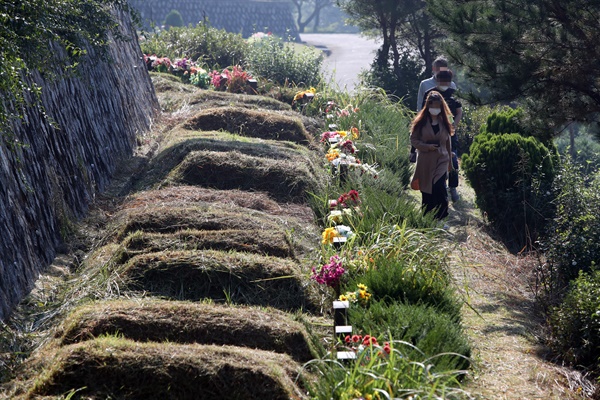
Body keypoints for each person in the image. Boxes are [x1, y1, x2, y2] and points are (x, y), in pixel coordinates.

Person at [410, 91, 454, 222]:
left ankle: (442, 217)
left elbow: (448, 143)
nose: (435, 109)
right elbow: (414, 140)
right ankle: (428, 217)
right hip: (426, 160)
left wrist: (450, 163)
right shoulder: (421, 121)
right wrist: (427, 147)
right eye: (432, 106)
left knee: (439, 187)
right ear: (428, 106)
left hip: (442, 158)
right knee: (427, 189)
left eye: (437, 106)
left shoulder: (446, 120)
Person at [422, 69, 462, 202]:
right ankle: (440, 186)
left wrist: (453, 125)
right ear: (437, 80)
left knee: (453, 160)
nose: (444, 83)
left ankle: (453, 187)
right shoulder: (430, 93)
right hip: (433, 133)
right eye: (442, 81)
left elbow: (459, 111)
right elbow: (423, 112)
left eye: (447, 81)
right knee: (437, 160)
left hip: (450, 133)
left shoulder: (454, 94)